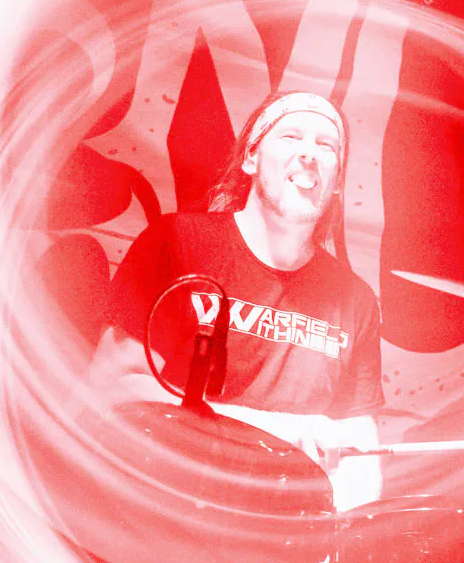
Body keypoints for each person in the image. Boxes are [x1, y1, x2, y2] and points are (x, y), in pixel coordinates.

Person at [95, 90, 384, 510]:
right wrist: (280, 432)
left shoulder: (356, 301)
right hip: (161, 508)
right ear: (250, 157)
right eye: (290, 137)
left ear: (338, 182)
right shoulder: (175, 243)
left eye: (327, 146)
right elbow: (114, 388)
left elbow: (361, 453)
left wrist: (347, 529)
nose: (309, 154)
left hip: (278, 533)